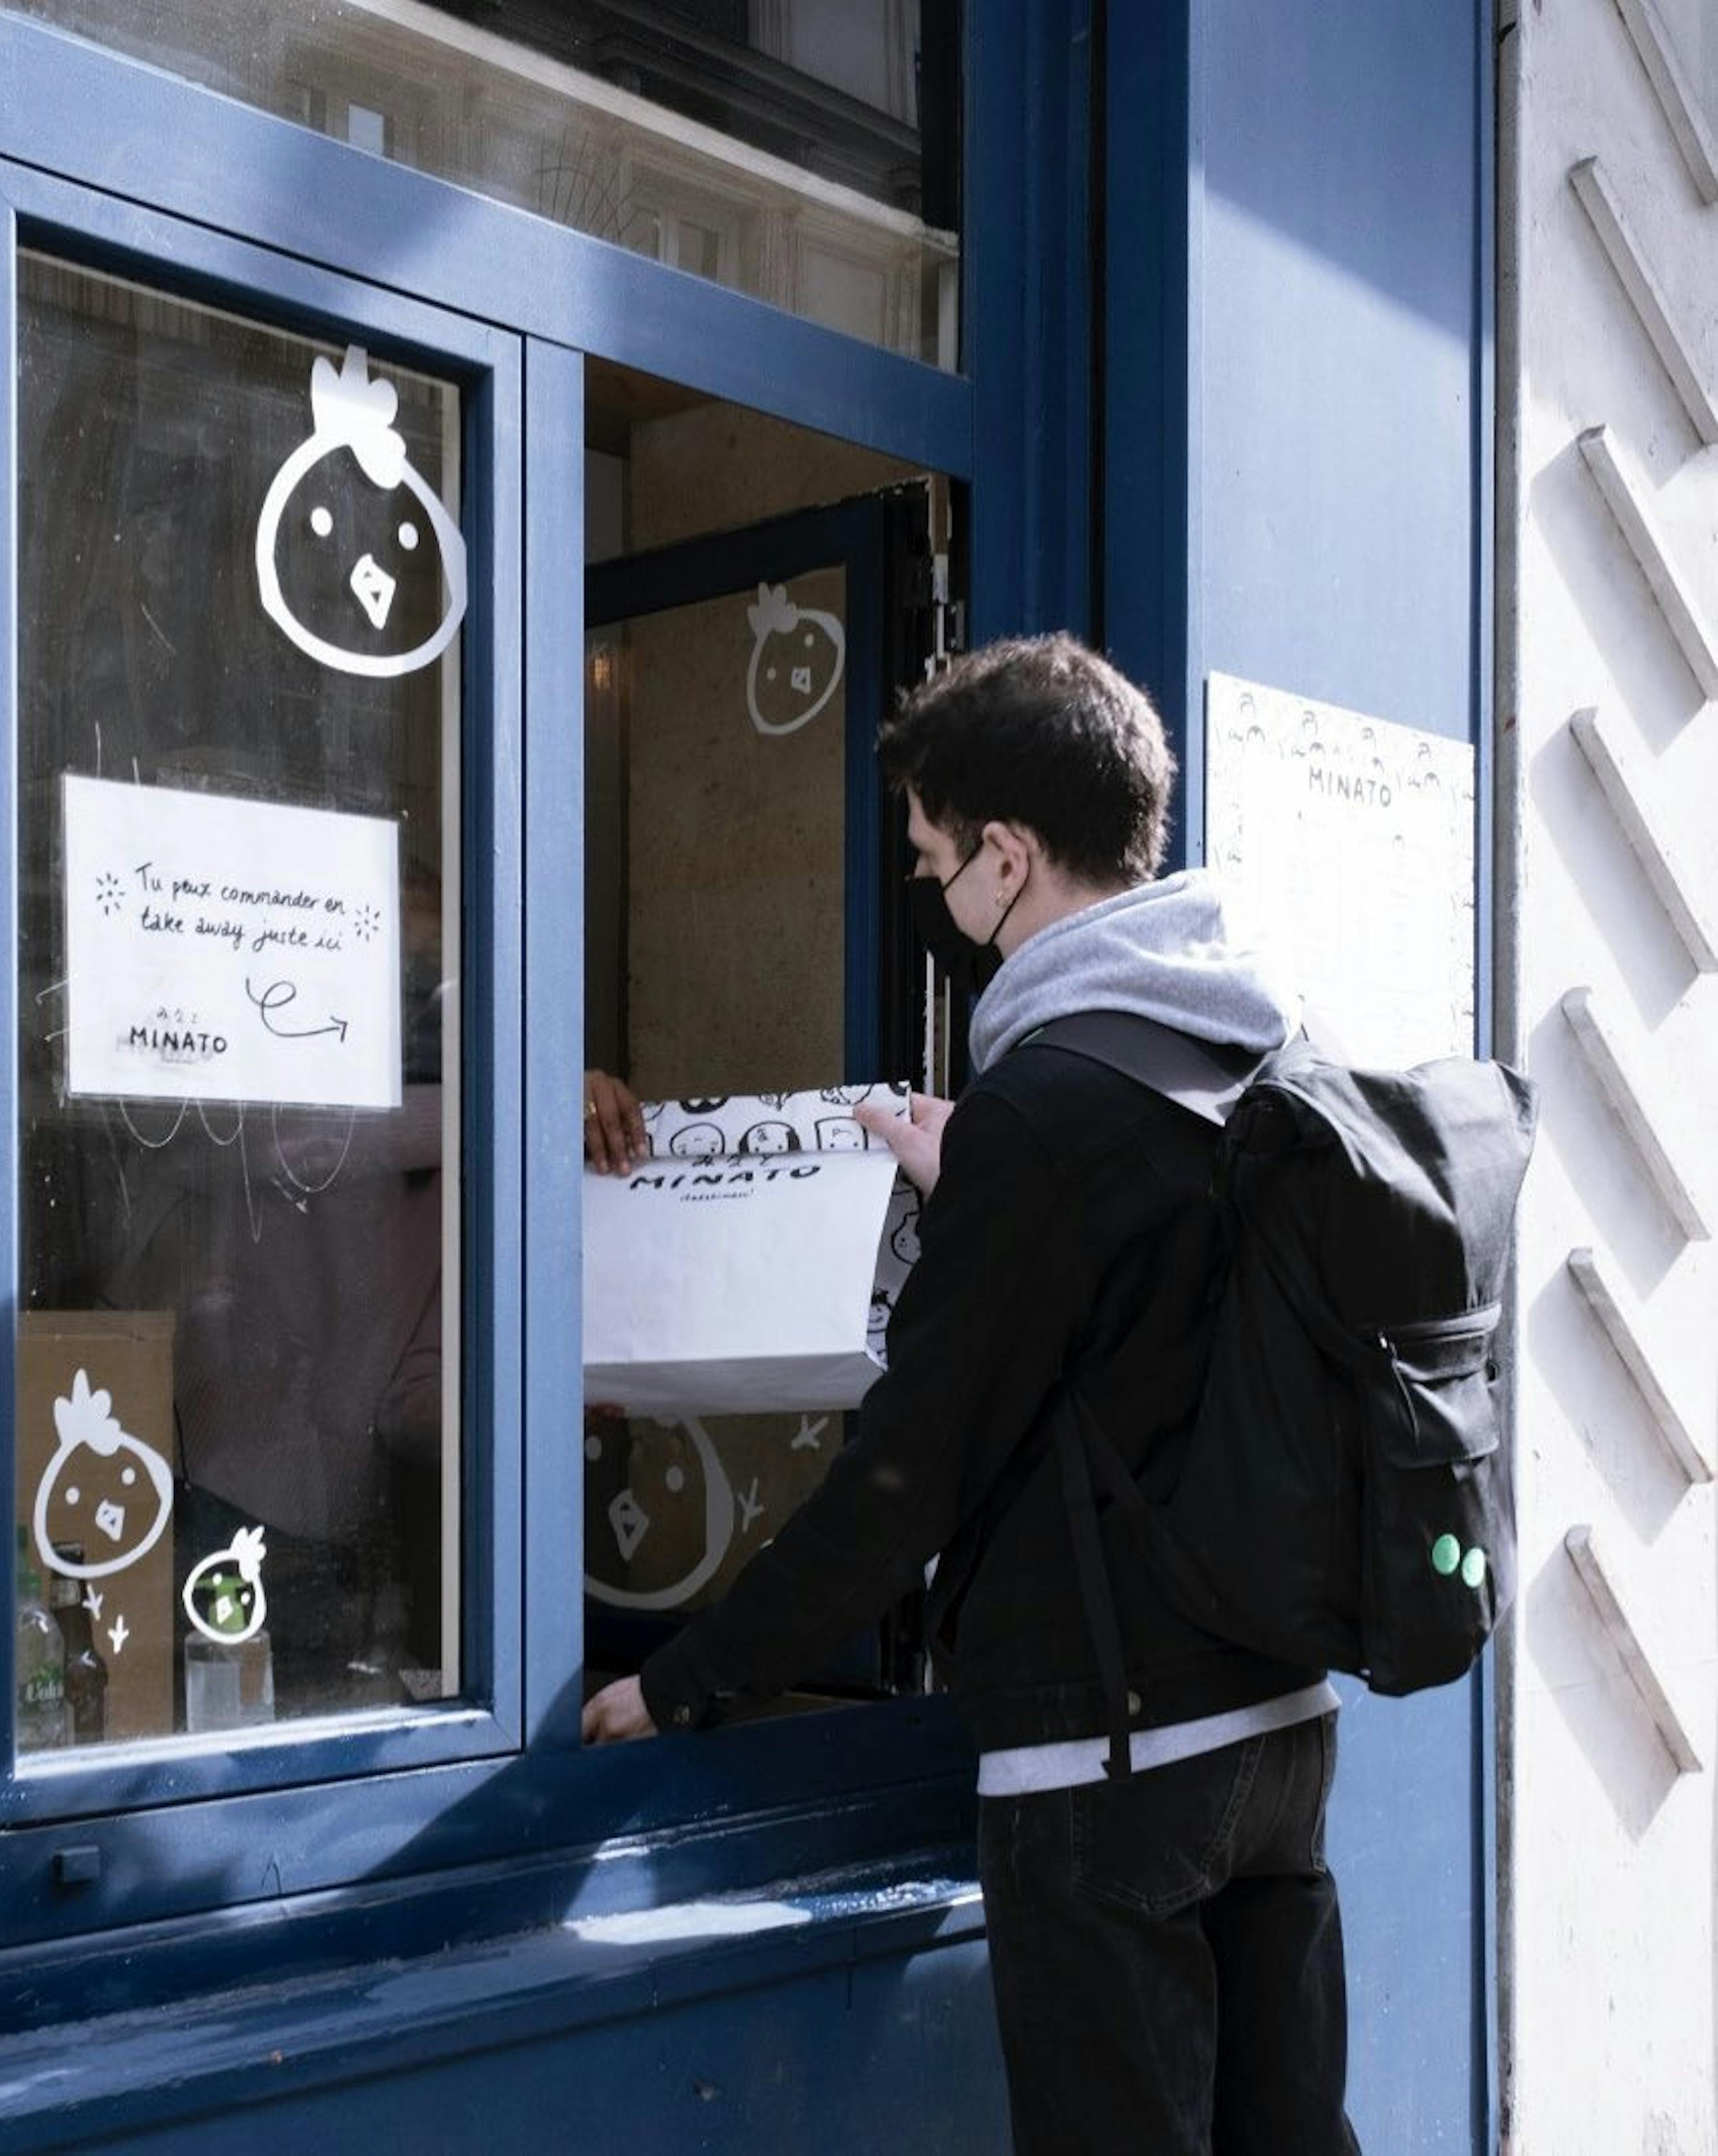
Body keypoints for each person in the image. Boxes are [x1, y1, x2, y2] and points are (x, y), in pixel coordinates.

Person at [582, 633, 1358, 2155]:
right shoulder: (1260, 1046)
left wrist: (687, 1677)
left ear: (1009, 857)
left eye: (937, 865)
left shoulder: (1048, 1107)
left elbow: (909, 1474)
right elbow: (1153, 1328)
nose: (935, 899)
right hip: (1282, 1719)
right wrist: (969, 1188)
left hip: (1116, 1754)